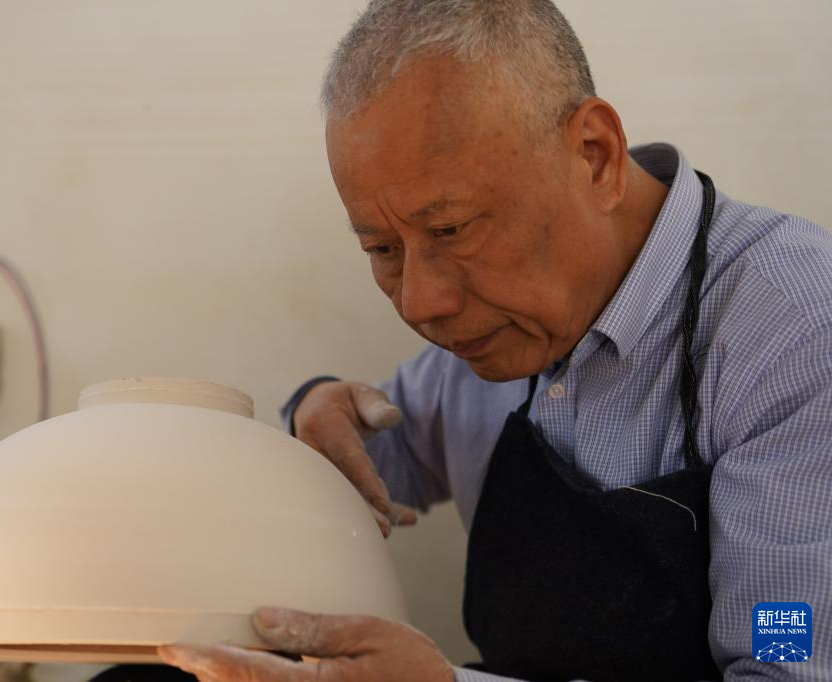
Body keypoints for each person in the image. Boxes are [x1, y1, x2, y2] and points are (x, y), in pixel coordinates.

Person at [158, 1, 832, 680]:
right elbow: (374, 456)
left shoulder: (794, 334)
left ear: (594, 156)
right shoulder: (487, 335)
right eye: (383, 249)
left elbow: (786, 666)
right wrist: (315, 418)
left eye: (451, 231)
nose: (421, 303)